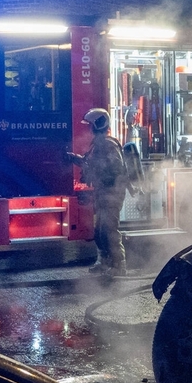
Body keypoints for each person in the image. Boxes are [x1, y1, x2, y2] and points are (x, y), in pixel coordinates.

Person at [66, 108, 128, 276]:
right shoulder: (98, 145)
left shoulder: (108, 145)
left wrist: (94, 171)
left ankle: (118, 265)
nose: (88, 128)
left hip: (111, 193)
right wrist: (74, 158)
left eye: (90, 125)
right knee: (100, 230)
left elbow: (115, 168)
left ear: (98, 125)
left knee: (109, 229)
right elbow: (91, 164)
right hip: (103, 193)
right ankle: (105, 262)